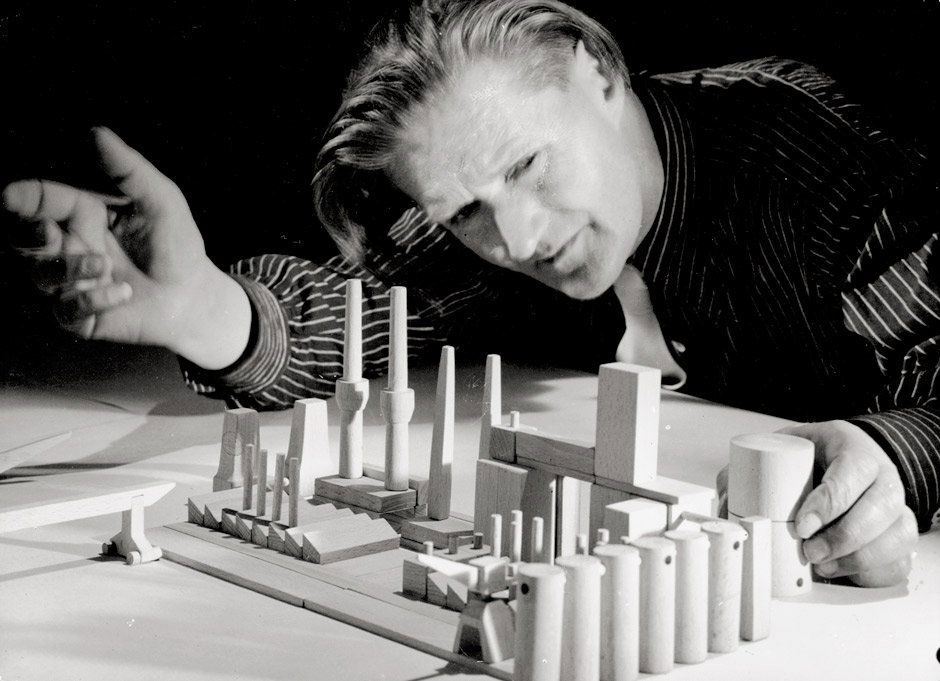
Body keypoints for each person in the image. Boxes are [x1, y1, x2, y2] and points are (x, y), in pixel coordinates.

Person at [2, 0, 934, 587]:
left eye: (527, 165)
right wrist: (199, 305)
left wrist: (892, 457)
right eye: (462, 213)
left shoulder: (810, 156)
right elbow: (359, 310)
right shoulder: (489, 222)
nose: (516, 239)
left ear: (597, 71)